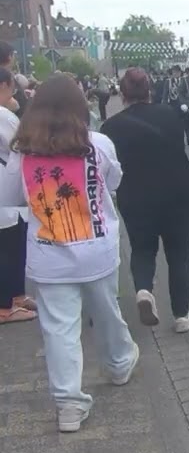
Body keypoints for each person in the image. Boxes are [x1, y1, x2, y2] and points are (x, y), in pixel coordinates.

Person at [0, 74, 138, 433]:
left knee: (59, 329)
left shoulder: (22, 152)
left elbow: (10, 196)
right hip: (96, 248)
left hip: (49, 255)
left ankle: (68, 404)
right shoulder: (99, 144)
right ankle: (119, 364)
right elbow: (113, 183)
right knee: (106, 312)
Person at [100, 67, 189, 332]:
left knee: (142, 249)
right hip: (178, 192)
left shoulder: (110, 127)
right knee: (179, 254)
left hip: (135, 196)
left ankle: (144, 290)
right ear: (149, 90)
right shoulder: (169, 114)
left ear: (122, 94)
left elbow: (110, 169)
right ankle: (181, 315)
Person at [0, 66, 35, 325]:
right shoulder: (3, 115)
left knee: (14, 242)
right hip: (7, 192)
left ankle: (16, 295)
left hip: (8, 193)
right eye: (13, 88)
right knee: (10, 246)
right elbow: (22, 143)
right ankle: (5, 305)